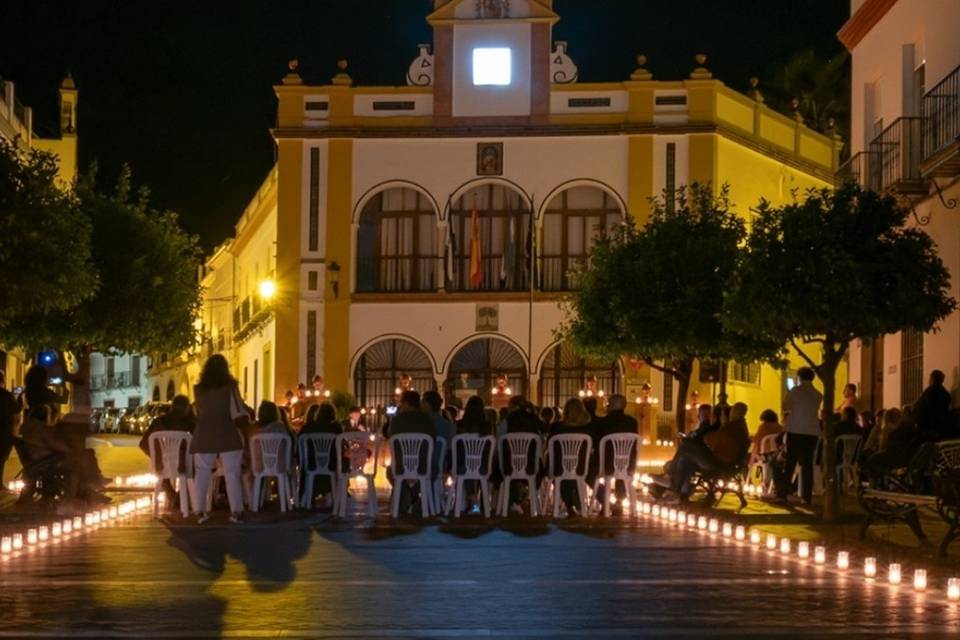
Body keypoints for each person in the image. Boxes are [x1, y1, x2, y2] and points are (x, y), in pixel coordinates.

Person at [191, 354, 247, 524]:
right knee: (232, 474)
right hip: (227, 432)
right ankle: (236, 512)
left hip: (204, 434)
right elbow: (237, 412)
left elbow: (198, 412)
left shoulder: (198, 389)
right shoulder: (230, 387)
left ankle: (199, 511)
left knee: (201, 474)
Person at [775, 367, 822, 505]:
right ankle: (806, 497)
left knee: (790, 463)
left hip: (795, 429)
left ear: (799, 377)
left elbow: (785, 406)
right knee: (807, 464)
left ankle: (783, 494)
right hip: (812, 431)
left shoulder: (795, 392)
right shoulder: (818, 394)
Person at [138, 394, 195, 507]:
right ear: (187, 408)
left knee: (163, 470)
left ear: (172, 407)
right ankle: (182, 496)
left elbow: (143, 444)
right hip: (184, 465)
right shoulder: (190, 424)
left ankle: (170, 491)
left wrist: (156, 457)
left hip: (162, 464)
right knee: (201, 468)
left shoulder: (159, 422)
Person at [386, 390, 435, 515]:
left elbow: (390, 438)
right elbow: (432, 441)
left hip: (401, 467)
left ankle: (408, 495)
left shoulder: (396, 421)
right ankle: (415, 497)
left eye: (401, 404)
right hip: (424, 467)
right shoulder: (427, 420)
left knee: (390, 472)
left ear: (406, 404)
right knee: (431, 473)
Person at [548, 398, 594, 516]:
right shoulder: (587, 429)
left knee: (562, 475)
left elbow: (549, 445)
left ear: (565, 411)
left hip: (559, 467)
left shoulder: (556, 428)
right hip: (582, 467)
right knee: (580, 472)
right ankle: (578, 499)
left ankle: (569, 504)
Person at [592, 394, 639, 509]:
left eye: (608, 404)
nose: (606, 407)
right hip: (628, 464)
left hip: (605, 465)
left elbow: (595, 442)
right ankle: (620, 500)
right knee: (621, 467)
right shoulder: (632, 422)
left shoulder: (603, 422)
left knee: (588, 471)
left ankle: (605, 500)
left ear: (611, 406)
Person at [300, 402, 341, 506]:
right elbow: (341, 445)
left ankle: (307, 495)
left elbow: (299, 442)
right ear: (333, 414)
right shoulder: (336, 427)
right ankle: (332, 493)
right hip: (331, 465)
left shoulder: (309, 427)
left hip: (311, 464)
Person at [422, 390, 456, 477]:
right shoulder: (449, 426)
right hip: (441, 465)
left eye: (423, 401)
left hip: (421, 465)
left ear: (428, 405)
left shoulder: (421, 425)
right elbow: (451, 447)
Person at [914, 369, 953, 441]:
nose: (929, 381)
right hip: (942, 426)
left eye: (930, 378)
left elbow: (920, 407)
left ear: (932, 379)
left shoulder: (929, 391)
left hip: (928, 427)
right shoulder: (946, 394)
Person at [0, 371, 22, 491]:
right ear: (2, 381)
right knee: (1, 458)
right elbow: (16, 410)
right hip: (3, 432)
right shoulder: (6, 396)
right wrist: (19, 399)